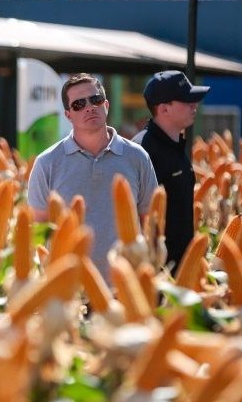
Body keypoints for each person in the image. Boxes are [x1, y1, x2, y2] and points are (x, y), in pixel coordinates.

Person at [27, 72, 158, 280]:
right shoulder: (47, 163)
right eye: (78, 104)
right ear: (68, 115)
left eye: (95, 99)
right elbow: (38, 231)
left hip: (126, 287)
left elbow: (150, 222)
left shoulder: (137, 157)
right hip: (69, 292)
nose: (89, 107)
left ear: (105, 105)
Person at [133, 70, 209, 269]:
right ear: (164, 109)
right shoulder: (142, 150)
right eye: (186, 101)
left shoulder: (176, 146)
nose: (194, 105)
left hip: (181, 269)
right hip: (156, 272)